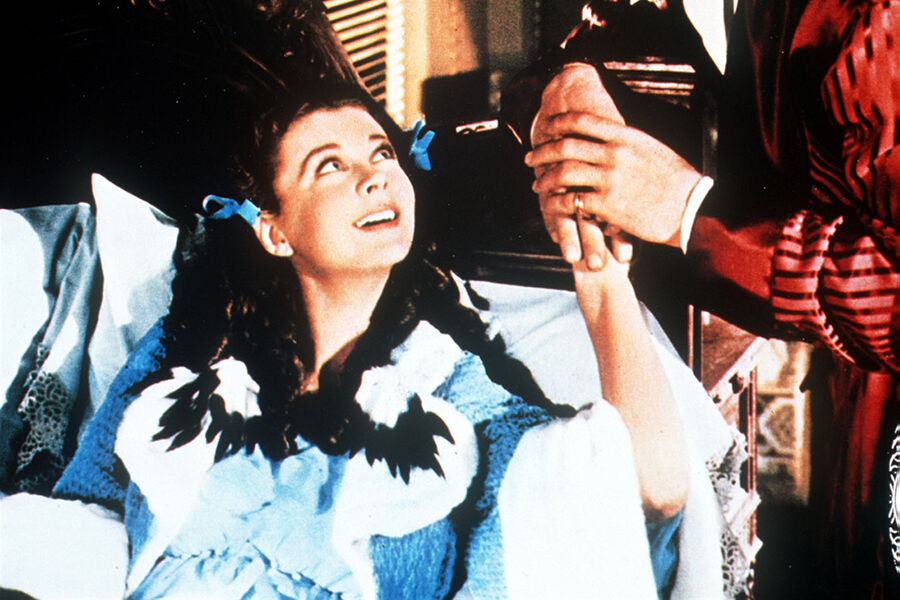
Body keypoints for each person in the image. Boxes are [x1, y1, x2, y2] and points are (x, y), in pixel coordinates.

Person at [0, 82, 739, 599]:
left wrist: (600, 279)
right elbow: (83, 529)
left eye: (384, 154)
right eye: (331, 166)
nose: (374, 178)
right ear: (273, 229)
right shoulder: (186, 358)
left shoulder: (449, 392)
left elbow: (632, 489)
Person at [506, 1, 899, 597]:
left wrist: (689, 214)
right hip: (853, 403)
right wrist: (564, 91)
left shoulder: (869, 20)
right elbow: (574, 46)